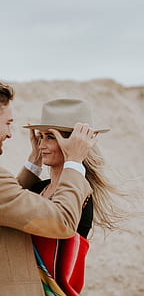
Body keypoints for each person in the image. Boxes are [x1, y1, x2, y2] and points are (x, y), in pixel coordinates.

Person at [0, 78, 97, 296]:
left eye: (49, 137)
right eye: (8, 123)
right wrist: (74, 162)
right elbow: (61, 222)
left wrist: (33, 166)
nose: (10, 133)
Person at [23, 99, 126, 295]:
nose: (42, 144)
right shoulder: (38, 188)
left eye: (51, 137)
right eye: (41, 137)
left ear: (73, 142)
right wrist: (33, 159)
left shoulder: (81, 192)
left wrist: (74, 159)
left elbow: (58, 228)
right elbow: (6, 208)